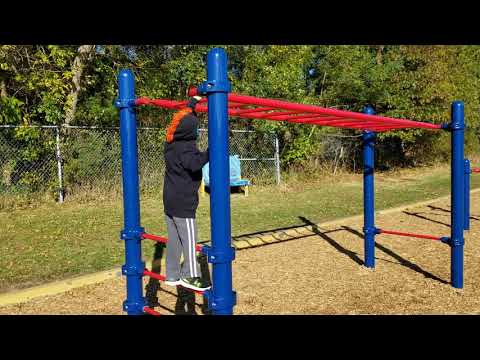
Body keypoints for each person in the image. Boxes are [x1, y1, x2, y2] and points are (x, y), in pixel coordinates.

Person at [163, 95, 211, 292]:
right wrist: (211, 151)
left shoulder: (171, 144)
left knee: (174, 240)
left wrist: (193, 102)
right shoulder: (186, 149)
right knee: (189, 239)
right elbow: (194, 163)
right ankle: (190, 275)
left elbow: (183, 117)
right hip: (184, 203)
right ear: (191, 132)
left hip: (170, 201)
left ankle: (172, 274)